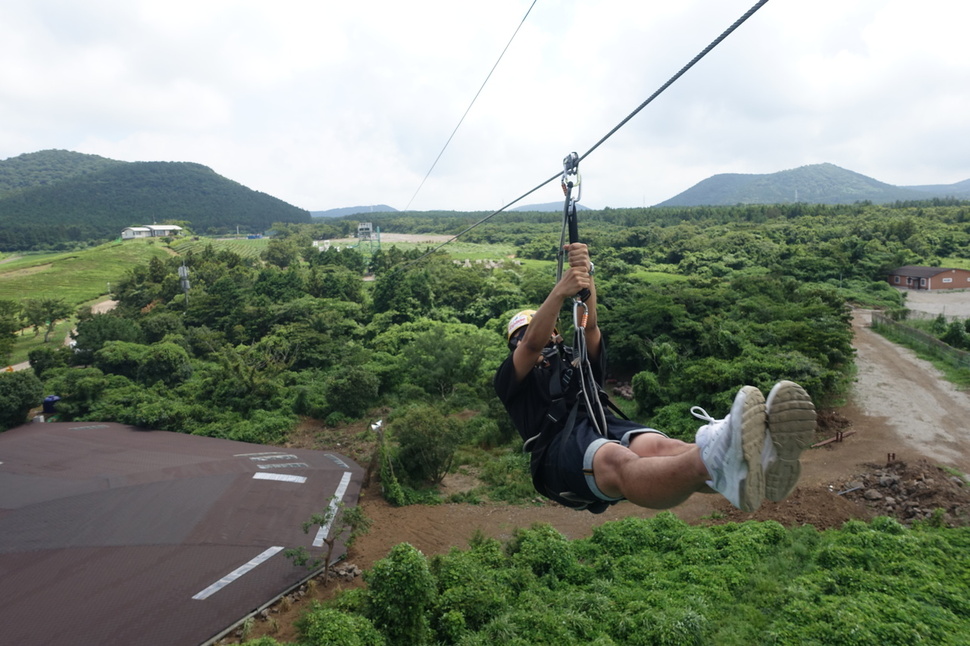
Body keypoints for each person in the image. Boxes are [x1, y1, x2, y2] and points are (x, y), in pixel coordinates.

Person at [494, 242, 816, 514]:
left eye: (548, 331)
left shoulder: (574, 357)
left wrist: (585, 280)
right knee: (618, 461)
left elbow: (589, 326)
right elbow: (532, 345)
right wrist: (559, 293)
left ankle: (754, 462)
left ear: (557, 333)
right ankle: (717, 463)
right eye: (517, 338)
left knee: (665, 446)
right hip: (556, 451)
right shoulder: (512, 379)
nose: (537, 340)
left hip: (602, 424)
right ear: (513, 346)